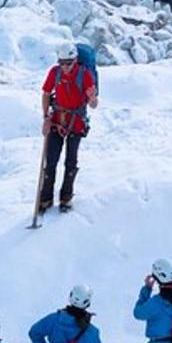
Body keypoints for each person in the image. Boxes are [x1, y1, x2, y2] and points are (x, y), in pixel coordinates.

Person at [39, 42, 98, 214]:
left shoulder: (85, 75)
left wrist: (92, 98)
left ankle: (66, 198)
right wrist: (45, 117)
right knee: (50, 161)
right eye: (62, 63)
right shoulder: (54, 72)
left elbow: (93, 104)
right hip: (57, 120)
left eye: (68, 63)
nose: (64, 67)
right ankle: (45, 199)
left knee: (70, 162)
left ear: (75, 60)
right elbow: (46, 94)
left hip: (76, 122)